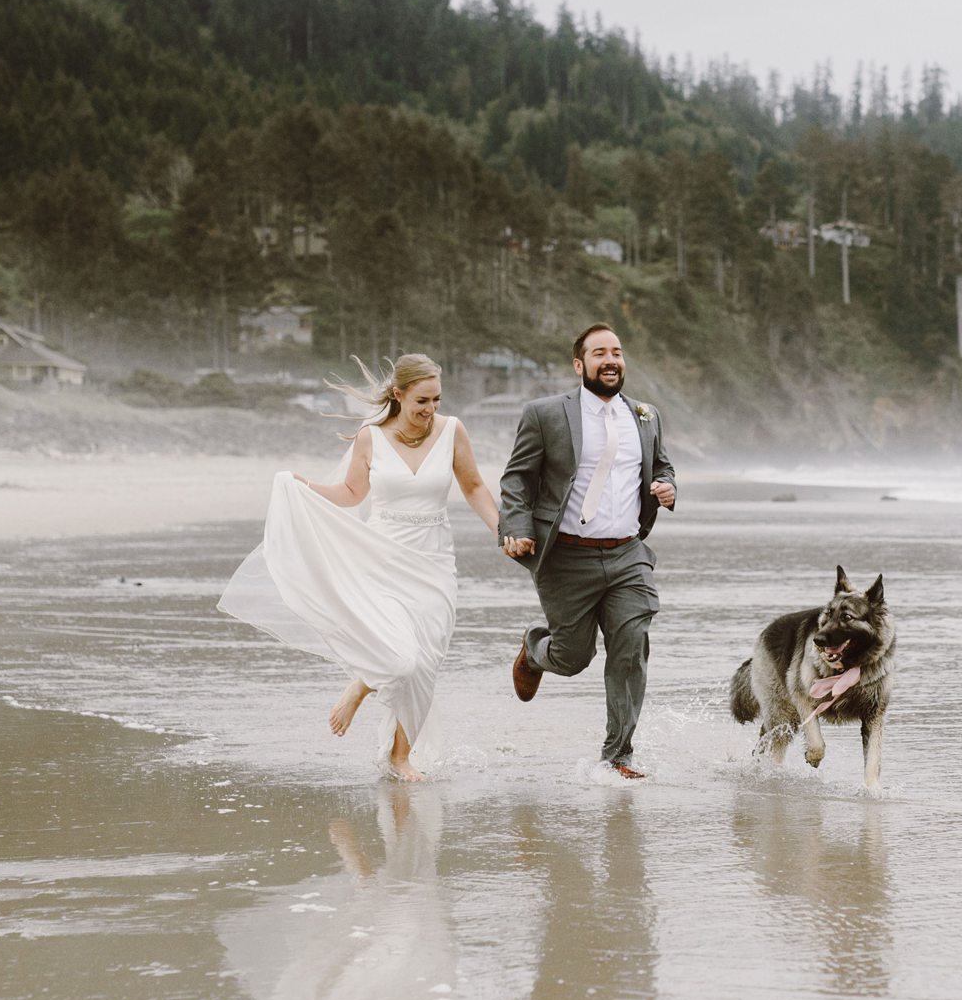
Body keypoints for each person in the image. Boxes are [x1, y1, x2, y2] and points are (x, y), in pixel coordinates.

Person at [219, 353, 501, 781]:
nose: (430, 410)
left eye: (437, 399)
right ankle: (361, 686)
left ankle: (398, 756)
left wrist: (502, 530)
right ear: (399, 394)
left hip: (435, 563)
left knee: (424, 661)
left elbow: (474, 485)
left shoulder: (453, 431)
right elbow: (352, 493)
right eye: (421, 400)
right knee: (400, 658)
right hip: (382, 558)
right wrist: (303, 486)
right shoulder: (370, 438)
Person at [499, 323, 676, 779]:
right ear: (580, 365)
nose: (611, 360)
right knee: (573, 658)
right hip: (566, 558)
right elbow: (517, 478)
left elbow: (661, 465)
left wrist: (667, 486)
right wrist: (515, 528)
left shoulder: (645, 415)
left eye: (617, 351)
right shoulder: (546, 414)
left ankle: (618, 756)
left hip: (627, 555)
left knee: (630, 648)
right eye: (599, 353)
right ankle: (535, 649)